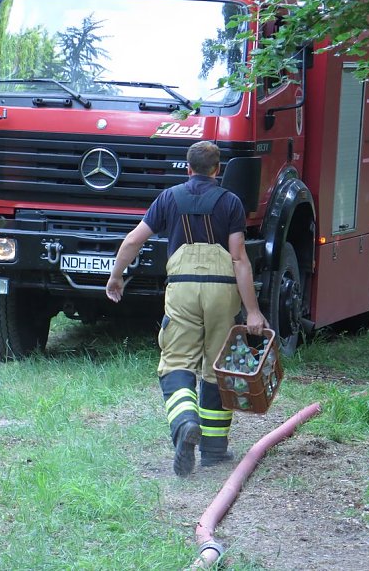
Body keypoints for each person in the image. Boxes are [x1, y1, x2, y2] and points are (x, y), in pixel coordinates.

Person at [105, 141, 267, 477]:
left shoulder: (168, 198)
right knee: (218, 367)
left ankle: (184, 423)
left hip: (182, 289)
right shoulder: (231, 202)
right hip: (223, 292)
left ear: (188, 167)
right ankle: (213, 450)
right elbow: (239, 259)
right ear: (217, 169)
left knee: (177, 362)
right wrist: (252, 311)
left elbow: (134, 240)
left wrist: (116, 275)